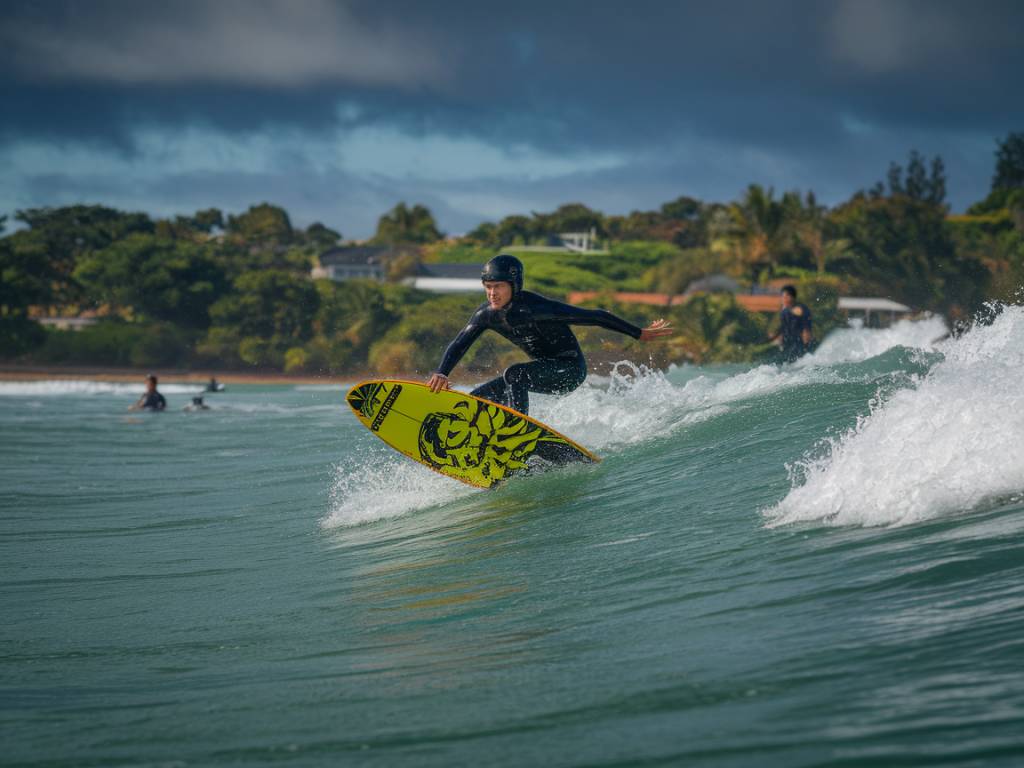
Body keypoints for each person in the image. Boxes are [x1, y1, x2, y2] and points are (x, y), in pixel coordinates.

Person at [425, 254, 673, 414]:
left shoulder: (538, 309)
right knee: (478, 399)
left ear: (514, 284)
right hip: (542, 370)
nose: (492, 294)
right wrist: (442, 372)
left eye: (498, 287)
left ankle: (516, 431)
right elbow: (460, 343)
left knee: (514, 373)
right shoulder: (486, 315)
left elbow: (596, 316)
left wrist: (638, 333)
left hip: (570, 371)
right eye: (488, 288)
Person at [768, 285, 813, 362]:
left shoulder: (800, 309)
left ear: (792, 297)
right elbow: (783, 327)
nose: (783, 299)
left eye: (786, 296)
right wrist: (774, 337)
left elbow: (806, 325)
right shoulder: (784, 311)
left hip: (799, 344)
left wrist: (806, 335)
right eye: (782, 297)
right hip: (787, 342)